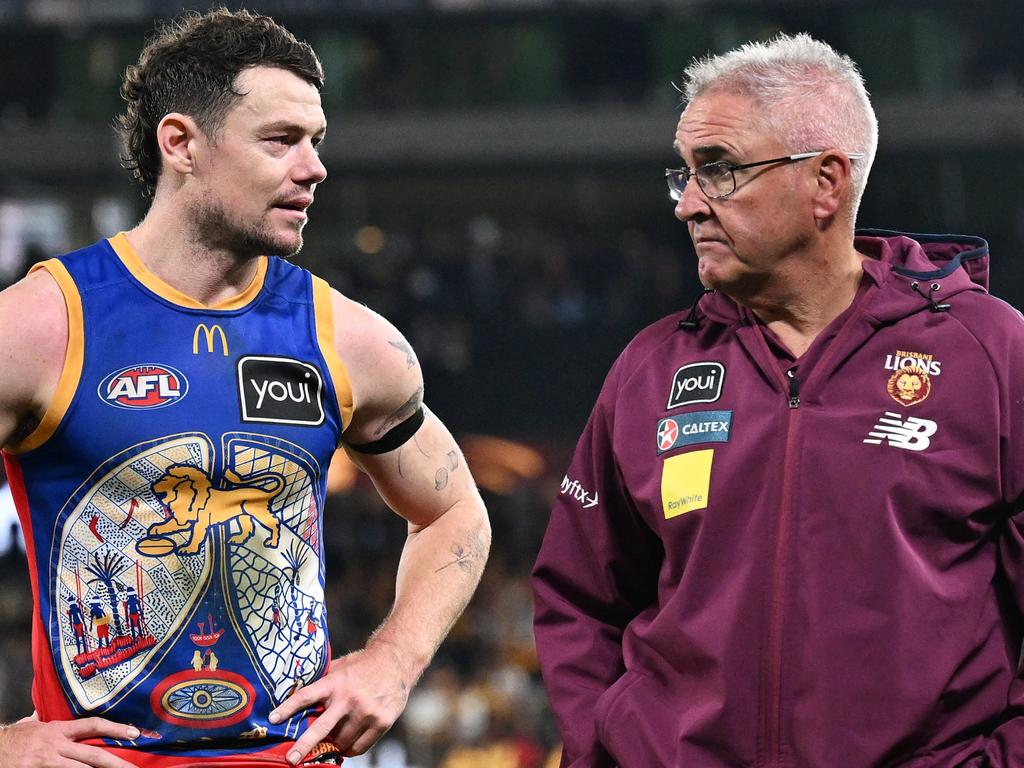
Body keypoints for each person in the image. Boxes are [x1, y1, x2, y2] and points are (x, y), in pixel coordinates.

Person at [0, 8, 490, 768]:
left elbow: (456, 513)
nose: (314, 166)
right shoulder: (40, 329)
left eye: (316, 141)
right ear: (181, 143)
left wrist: (393, 660)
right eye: (281, 140)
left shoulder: (350, 340)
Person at [532, 32, 1024, 767]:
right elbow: (579, 599)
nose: (688, 205)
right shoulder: (650, 371)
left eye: (720, 170)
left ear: (826, 182)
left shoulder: (990, 354)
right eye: (686, 174)